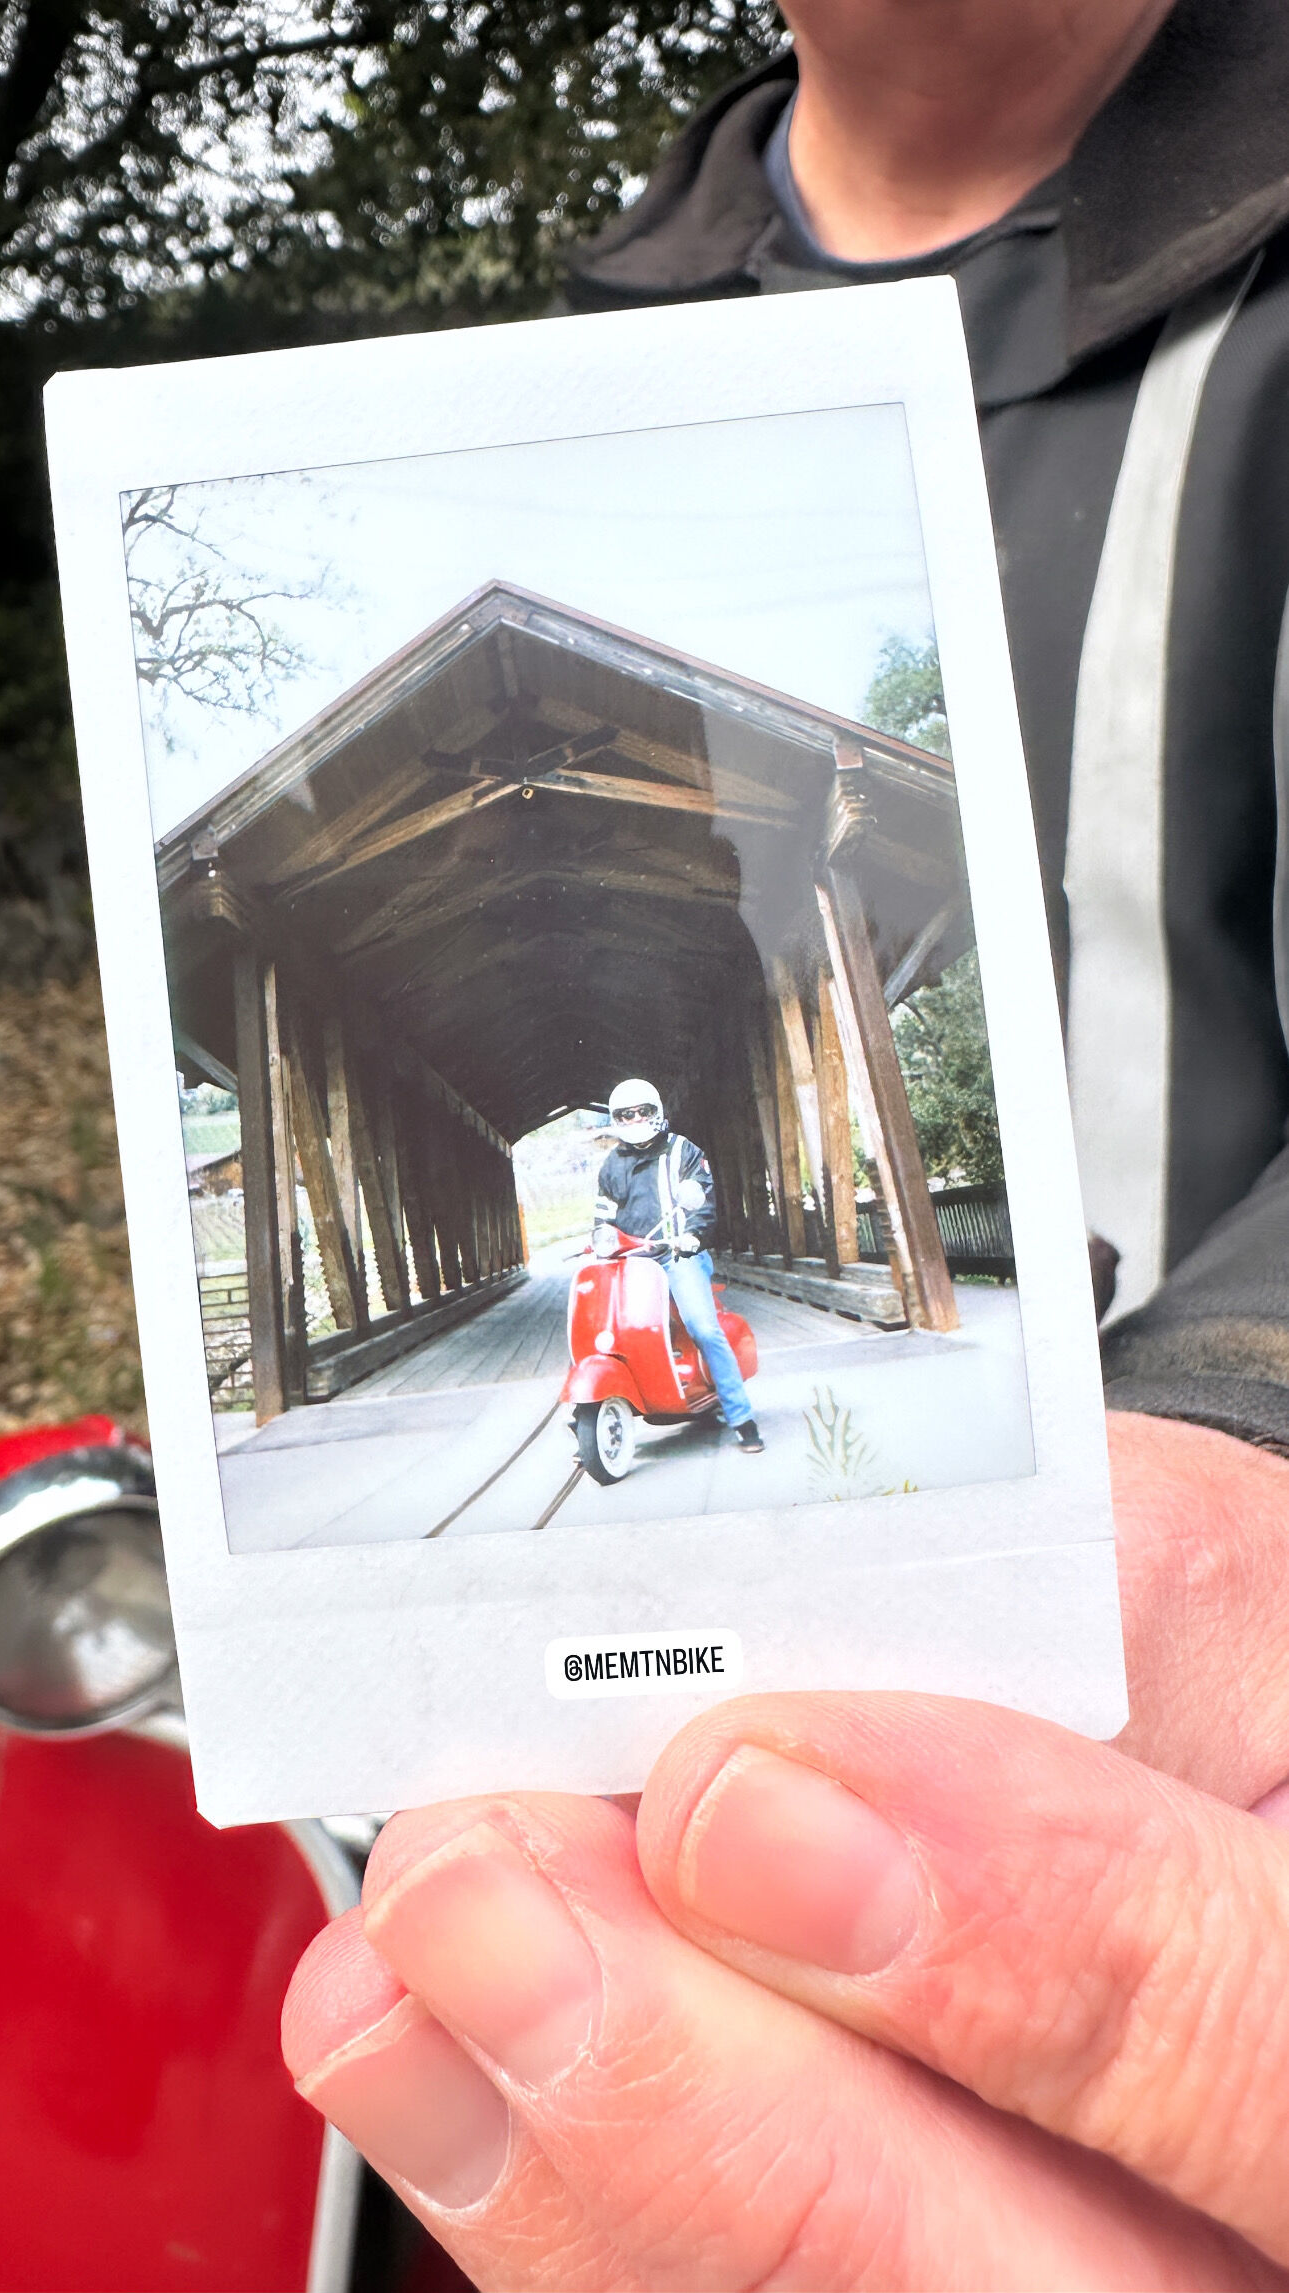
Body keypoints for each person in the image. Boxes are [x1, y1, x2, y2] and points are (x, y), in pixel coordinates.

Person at [281, 6, 1289, 2285]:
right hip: (584, 1934)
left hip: (1183, 1777)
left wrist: (1244, 1427)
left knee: (712, 1346)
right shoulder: (577, 355)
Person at [594, 1078, 763, 1454]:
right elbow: (603, 1216)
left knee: (703, 1328)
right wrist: (601, 1240)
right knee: (609, 1335)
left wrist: (692, 1237)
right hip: (634, 1265)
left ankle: (742, 1418)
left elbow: (702, 1200)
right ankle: (593, 1416)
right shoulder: (611, 1166)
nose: (635, 1119)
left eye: (643, 1111)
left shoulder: (683, 1150)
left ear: (656, 1112)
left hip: (677, 1256)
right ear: (616, 1119)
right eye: (626, 1114)